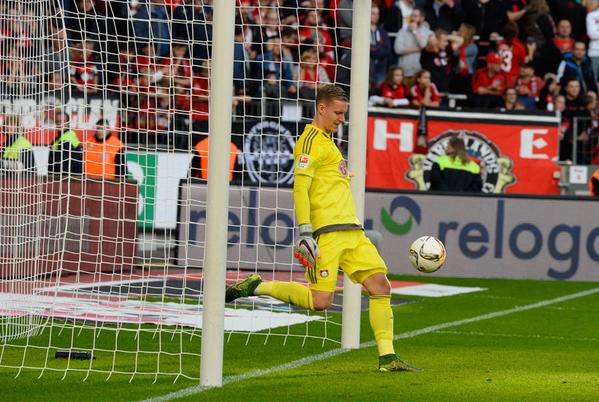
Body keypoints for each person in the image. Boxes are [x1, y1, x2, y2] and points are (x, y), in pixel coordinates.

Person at [225, 84, 421, 373]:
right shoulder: (309, 143)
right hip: (326, 233)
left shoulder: (329, 141)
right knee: (321, 302)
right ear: (321, 108)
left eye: (344, 113)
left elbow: (327, 178)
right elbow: (300, 187)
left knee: (381, 286)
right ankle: (258, 285)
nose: (342, 118)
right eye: (338, 113)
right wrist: (305, 231)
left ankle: (388, 357)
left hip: (353, 231)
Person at [47, 111, 83, 176]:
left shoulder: (67, 139)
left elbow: (64, 166)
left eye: (62, 121)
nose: (59, 124)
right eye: (57, 121)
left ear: (68, 123)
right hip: (61, 178)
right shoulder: (59, 138)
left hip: (67, 180)